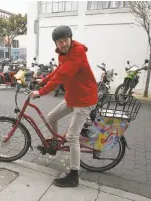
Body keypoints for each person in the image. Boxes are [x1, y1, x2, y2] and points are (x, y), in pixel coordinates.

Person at [29, 25, 98, 187]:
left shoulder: (78, 52)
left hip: (85, 99)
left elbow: (63, 75)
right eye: (59, 42)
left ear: (70, 39)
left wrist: (41, 92)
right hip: (73, 97)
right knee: (51, 116)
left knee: (72, 136)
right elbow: (58, 70)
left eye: (65, 40)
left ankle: (74, 175)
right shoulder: (62, 54)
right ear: (56, 44)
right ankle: (53, 145)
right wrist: (44, 79)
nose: (63, 44)